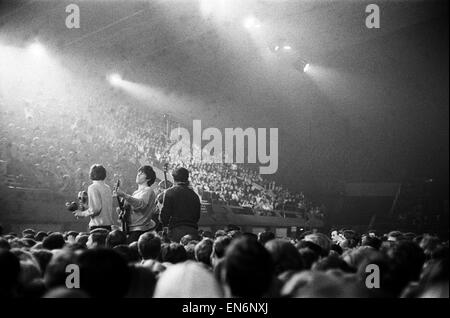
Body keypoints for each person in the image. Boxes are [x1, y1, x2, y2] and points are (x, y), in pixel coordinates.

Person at [114, 165, 158, 243]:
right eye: (139, 172)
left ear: (148, 178)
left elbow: (140, 205)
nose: (138, 174)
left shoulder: (148, 190)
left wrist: (124, 195)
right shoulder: (135, 193)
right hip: (131, 229)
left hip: (140, 230)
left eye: (142, 173)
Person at [159, 167, 200, 243]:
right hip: (193, 232)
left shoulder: (169, 192)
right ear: (187, 178)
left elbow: (164, 216)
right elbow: (197, 216)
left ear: (173, 178)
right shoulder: (195, 195)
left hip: (176, 232)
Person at [73, 164, 115, 231]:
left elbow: (95, 209)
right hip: (108, 225)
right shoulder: (107, 188)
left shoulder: (92, 187)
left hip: (97, 226)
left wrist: (82, 214)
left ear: (92, 174)